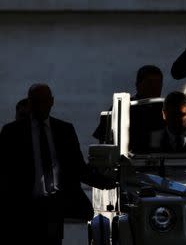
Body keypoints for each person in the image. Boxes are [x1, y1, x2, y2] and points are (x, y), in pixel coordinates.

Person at [0, 84, 115, 245]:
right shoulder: (12, 132)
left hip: (54, 207)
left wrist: (107, 182)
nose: (40, 106)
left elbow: (78, 168)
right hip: (24, 208)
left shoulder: (64, 130)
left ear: (51, 102)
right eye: (36, 102)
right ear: (30, 103)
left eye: (43, 101)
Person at [93, 65, 165, 153]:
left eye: (158, 83)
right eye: (149, 83)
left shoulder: (167, 110)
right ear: (138, 85)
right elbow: (103, 143)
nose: (154, 88)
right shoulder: (120, 109)